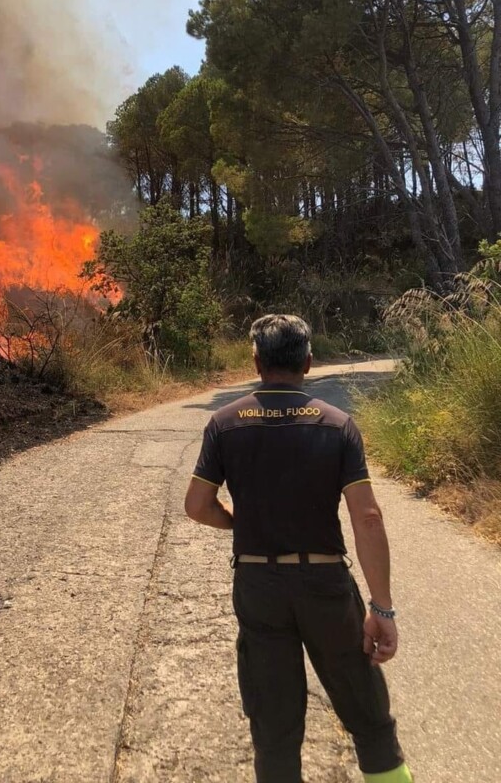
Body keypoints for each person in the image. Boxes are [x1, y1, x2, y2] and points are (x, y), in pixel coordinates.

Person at [184, 314, 413, 783]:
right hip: (325, 585)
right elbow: (367, 518)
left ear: (256, 361)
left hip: (259, 584)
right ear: (309, 362)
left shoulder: (225, 423)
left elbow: (196, 505)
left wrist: (238, 524)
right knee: (368, 717)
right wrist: (382, 609)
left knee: (274, 727)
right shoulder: (338, 425)